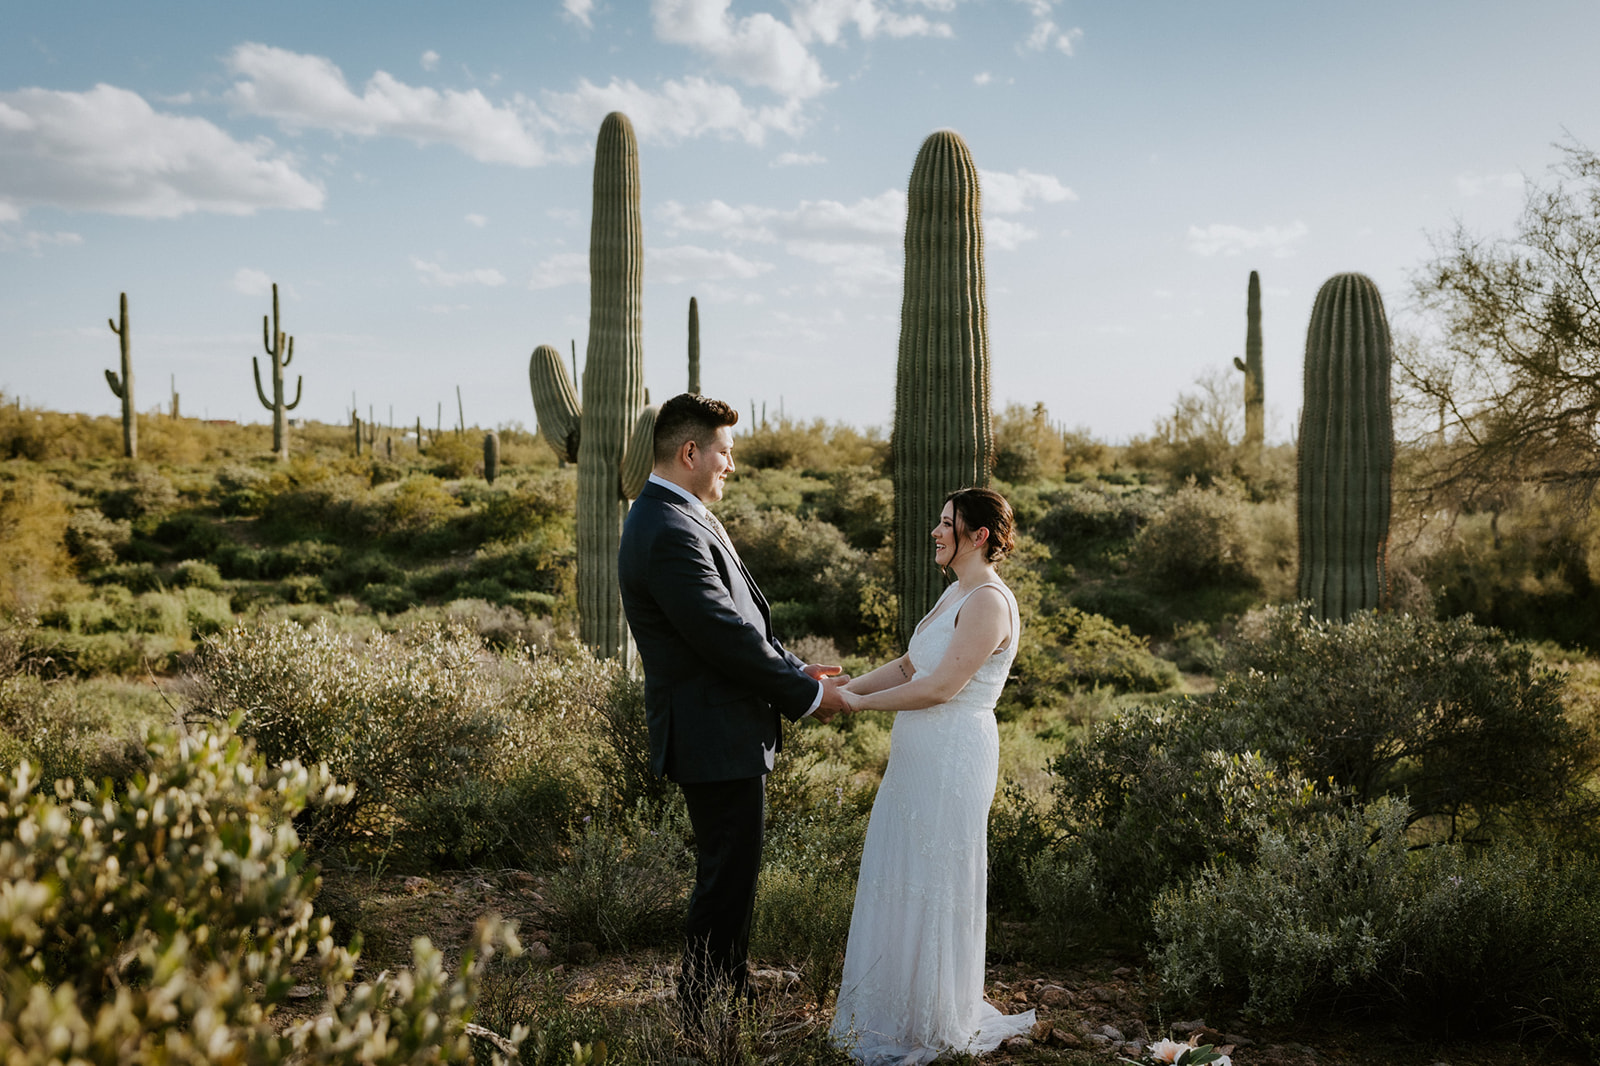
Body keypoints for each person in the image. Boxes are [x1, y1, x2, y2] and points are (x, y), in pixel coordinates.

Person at [618, 392, 853, 1028]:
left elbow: (742, 620)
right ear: (690, 452)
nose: (732, 464)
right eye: (724, 451)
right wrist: (804, 695)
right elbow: (720, 634)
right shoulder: (666, 527)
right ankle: (704, 1007)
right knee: (725, 873)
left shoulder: (680, 515)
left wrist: (795, 666)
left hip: (720, 726)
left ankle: (726, 987)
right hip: (710, 730)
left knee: (733, 868)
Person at [828, 487, 1036, 1065]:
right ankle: (898, 1005)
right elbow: (908, 665)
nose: (936, 532)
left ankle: (933, 1015)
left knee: (936, 874)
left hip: (953, 755)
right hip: (918, 754)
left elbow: (943, 687)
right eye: (939, 521)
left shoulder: (990, 602)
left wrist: (855, 708)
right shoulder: (955, 593)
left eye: (947, 523)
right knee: (904, 866)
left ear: (980, 536)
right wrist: (843, 689)